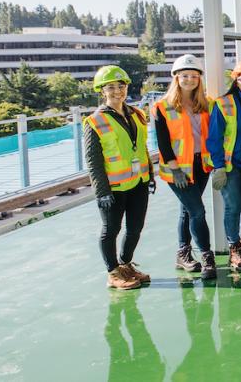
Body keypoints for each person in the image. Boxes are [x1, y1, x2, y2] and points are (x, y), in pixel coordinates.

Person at [83, 65, 154, 290]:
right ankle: (113, 272)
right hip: (113, 188)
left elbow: (141, 148)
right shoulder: (95, 121)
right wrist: (101, 191)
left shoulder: (138, 114)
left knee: (135, 228)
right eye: (111, 87)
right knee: (111, 229)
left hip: (138, 182)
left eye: (121, 86)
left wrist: (150, 175)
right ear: (102, 91)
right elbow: (93, 161)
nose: (117, 91)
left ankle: (125, 264)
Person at [152, 54, 216, 280]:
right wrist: (176, 168)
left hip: (201, 165)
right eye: (184, 75)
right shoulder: (162, 107)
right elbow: (163, 142)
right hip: (177, 169)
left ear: (199, 79)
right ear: (176, 78)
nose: (189, 79)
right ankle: (208, 257)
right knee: (198, 211)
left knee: (188, 210)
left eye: (194, 75)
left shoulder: (207, 103)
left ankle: (183, 253)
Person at [206, 58, 241, 272]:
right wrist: (219, 166)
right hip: (230, 166)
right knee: (233, 207)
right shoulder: (224, 104)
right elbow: (214, 138)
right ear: (236, 79)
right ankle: (234, 248)